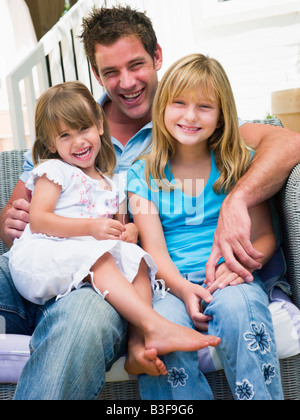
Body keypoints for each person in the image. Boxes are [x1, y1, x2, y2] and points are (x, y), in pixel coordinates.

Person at [0, 5, 299, 399]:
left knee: (98, 314)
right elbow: (25, 213)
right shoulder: (80, 135)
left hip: (138, 276)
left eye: (136, 64)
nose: (125, 82)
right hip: (84, 276)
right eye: (111, 72)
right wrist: (11, 216)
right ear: (97, 75)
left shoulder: (205, 134)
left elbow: (286, 141)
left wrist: (236, 201)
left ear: (157, 56)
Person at [9, 81, 220, 363]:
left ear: (99, 124)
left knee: (139, 261)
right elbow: (39, 220)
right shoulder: (53, 171)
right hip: (44, 256)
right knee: (102, 259)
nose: (79, 142)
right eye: (65, 135)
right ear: (50, 143)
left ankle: (138, 344)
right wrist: (91, 228)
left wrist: (130, 230)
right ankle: (155, 324)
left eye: (83, 129)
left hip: (87, 259)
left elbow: (121, 224)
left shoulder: (112, 183)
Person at [127, 53, 284, 400]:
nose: (190, 116)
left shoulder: (238, 165)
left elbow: (263, 236)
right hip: (169, 285)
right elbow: (153, 251)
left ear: (222, 116)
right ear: (162, 108)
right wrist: (184, 290)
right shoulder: (142, 176)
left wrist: (237, 265)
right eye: (179, 103)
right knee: (162, 337)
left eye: (204, 107)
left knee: (242, 309)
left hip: (230, 275)